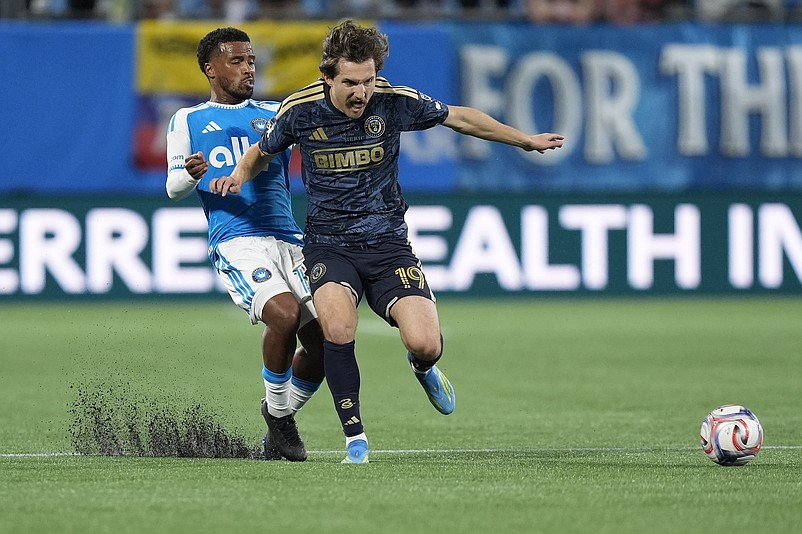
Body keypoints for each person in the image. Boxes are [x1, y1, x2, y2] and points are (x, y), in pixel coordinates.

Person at [210, 20, 564, 464]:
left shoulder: (394, 102)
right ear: (327, 78)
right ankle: (354, 440)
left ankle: (424, 368)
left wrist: (524, 140)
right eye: (350, 83)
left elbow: (460, 117)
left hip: (388, 246)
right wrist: (239, 176)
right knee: (336, 330)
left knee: (425, 342)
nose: (361, 93)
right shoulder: (299, 110)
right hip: (329, 245)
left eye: (368, 80)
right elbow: (262, 149)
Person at [165, 27, 325, 462]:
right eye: (237, 61)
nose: (248, 68)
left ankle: (276, 416)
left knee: (328, 339)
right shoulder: (187, 119)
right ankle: (281, 420)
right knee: (285, 315)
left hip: (290, 239)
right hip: (238, 240)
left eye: (251, 60)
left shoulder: (275, 112)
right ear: (210, 69)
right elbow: (173, 187)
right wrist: (193, 173)